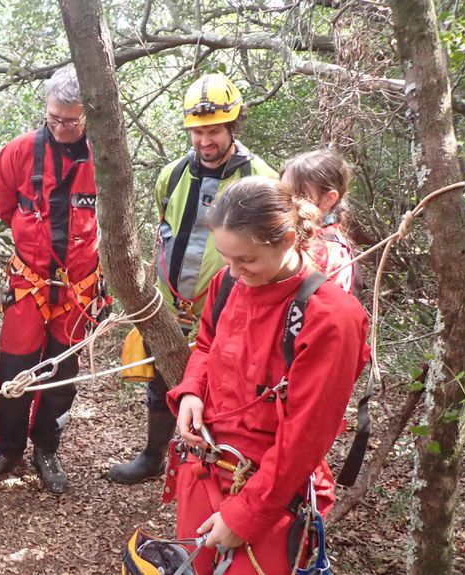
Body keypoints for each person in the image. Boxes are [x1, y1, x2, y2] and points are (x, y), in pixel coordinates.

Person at [165, 176, 369, 574]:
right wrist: (192, 392)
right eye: (226, 257)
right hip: (206, 469)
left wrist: (246, 514)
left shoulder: (331, 318)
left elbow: (305, 435)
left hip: (273, 493)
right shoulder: (228, 283)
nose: (236, 271)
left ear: (288, 238)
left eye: (247, 260)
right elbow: (206, 343)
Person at [110, 73, 279, 485]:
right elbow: (165, 230)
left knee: (223, 392)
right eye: (198, 132)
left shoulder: (262, 181)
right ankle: (154, 457)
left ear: (233, 125)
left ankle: (215, 467)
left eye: (215, 131)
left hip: (230, 308)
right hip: (170, 304)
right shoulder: (172, 175)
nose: (206, 141)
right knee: (163, 382)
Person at [0, 64, 107, 494]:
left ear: (87, 115)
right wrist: (33, 237)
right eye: (54, 118)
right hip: (29, 284)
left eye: (71, 120)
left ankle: (46, 447)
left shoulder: (103, 157)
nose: (62, 127)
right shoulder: (20, 152)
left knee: (62, 370)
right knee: (15, 367)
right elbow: (3, 204)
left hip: (78, 288)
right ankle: (7, 447)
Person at [282, 149, 359, 294]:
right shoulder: (293, 232)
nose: (288, 202)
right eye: (283, 193)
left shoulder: (331, 252)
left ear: (328, 199)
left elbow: (330, 307)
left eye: (298, 195)